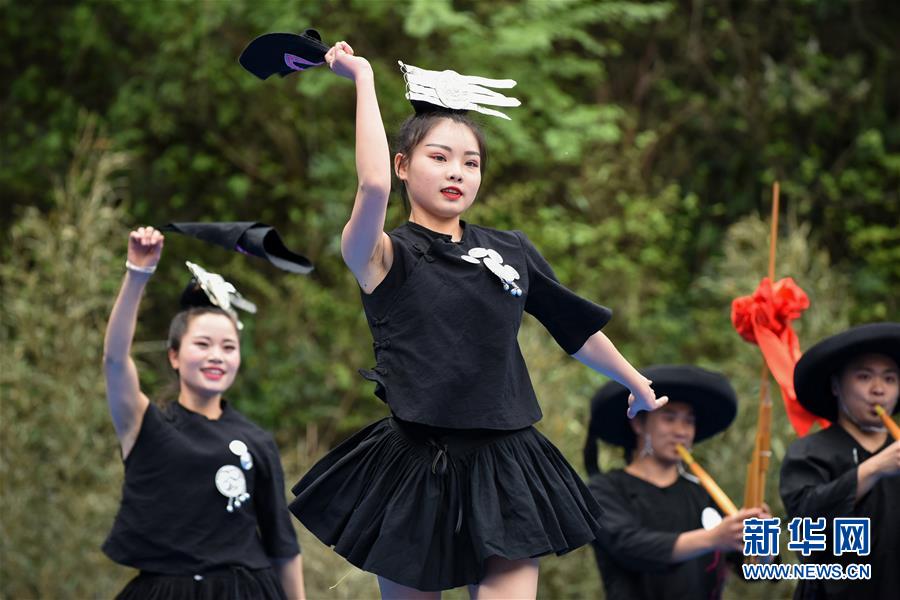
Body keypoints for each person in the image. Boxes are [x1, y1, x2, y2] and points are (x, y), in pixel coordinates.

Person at [288, 42, 668, 599]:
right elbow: (371, 187)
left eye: (471, 163)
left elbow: (573, 327)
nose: (457, 173)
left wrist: (634, 381)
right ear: (403, 165)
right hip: (416, 465)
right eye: (439, 157)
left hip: (506, 460)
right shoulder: (381, 255)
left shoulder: (510, 249)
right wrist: (363, 78)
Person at [101, 226, 305, 599]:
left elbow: (283, 547)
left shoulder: (257, 441)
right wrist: (137, 274)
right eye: (203, 344)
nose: (216, 356)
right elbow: (115, 361)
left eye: (228, 347)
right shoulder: (146, 425)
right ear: (174, 356)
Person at [585, 365, 771, 599]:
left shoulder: (702, 493)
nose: (681, 431)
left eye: (688, 421)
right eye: (669, 418)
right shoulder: (604, 490)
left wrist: (762, 543)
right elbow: (630, 546)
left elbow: (754, 571)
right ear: (638, 423)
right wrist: (712, 538)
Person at [779, 322, 900, 599]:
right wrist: (876, 467)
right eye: (864, 377)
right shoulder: (809, 452)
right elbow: (805, 520)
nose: (878, 389)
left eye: (890, 379)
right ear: (836, 385)